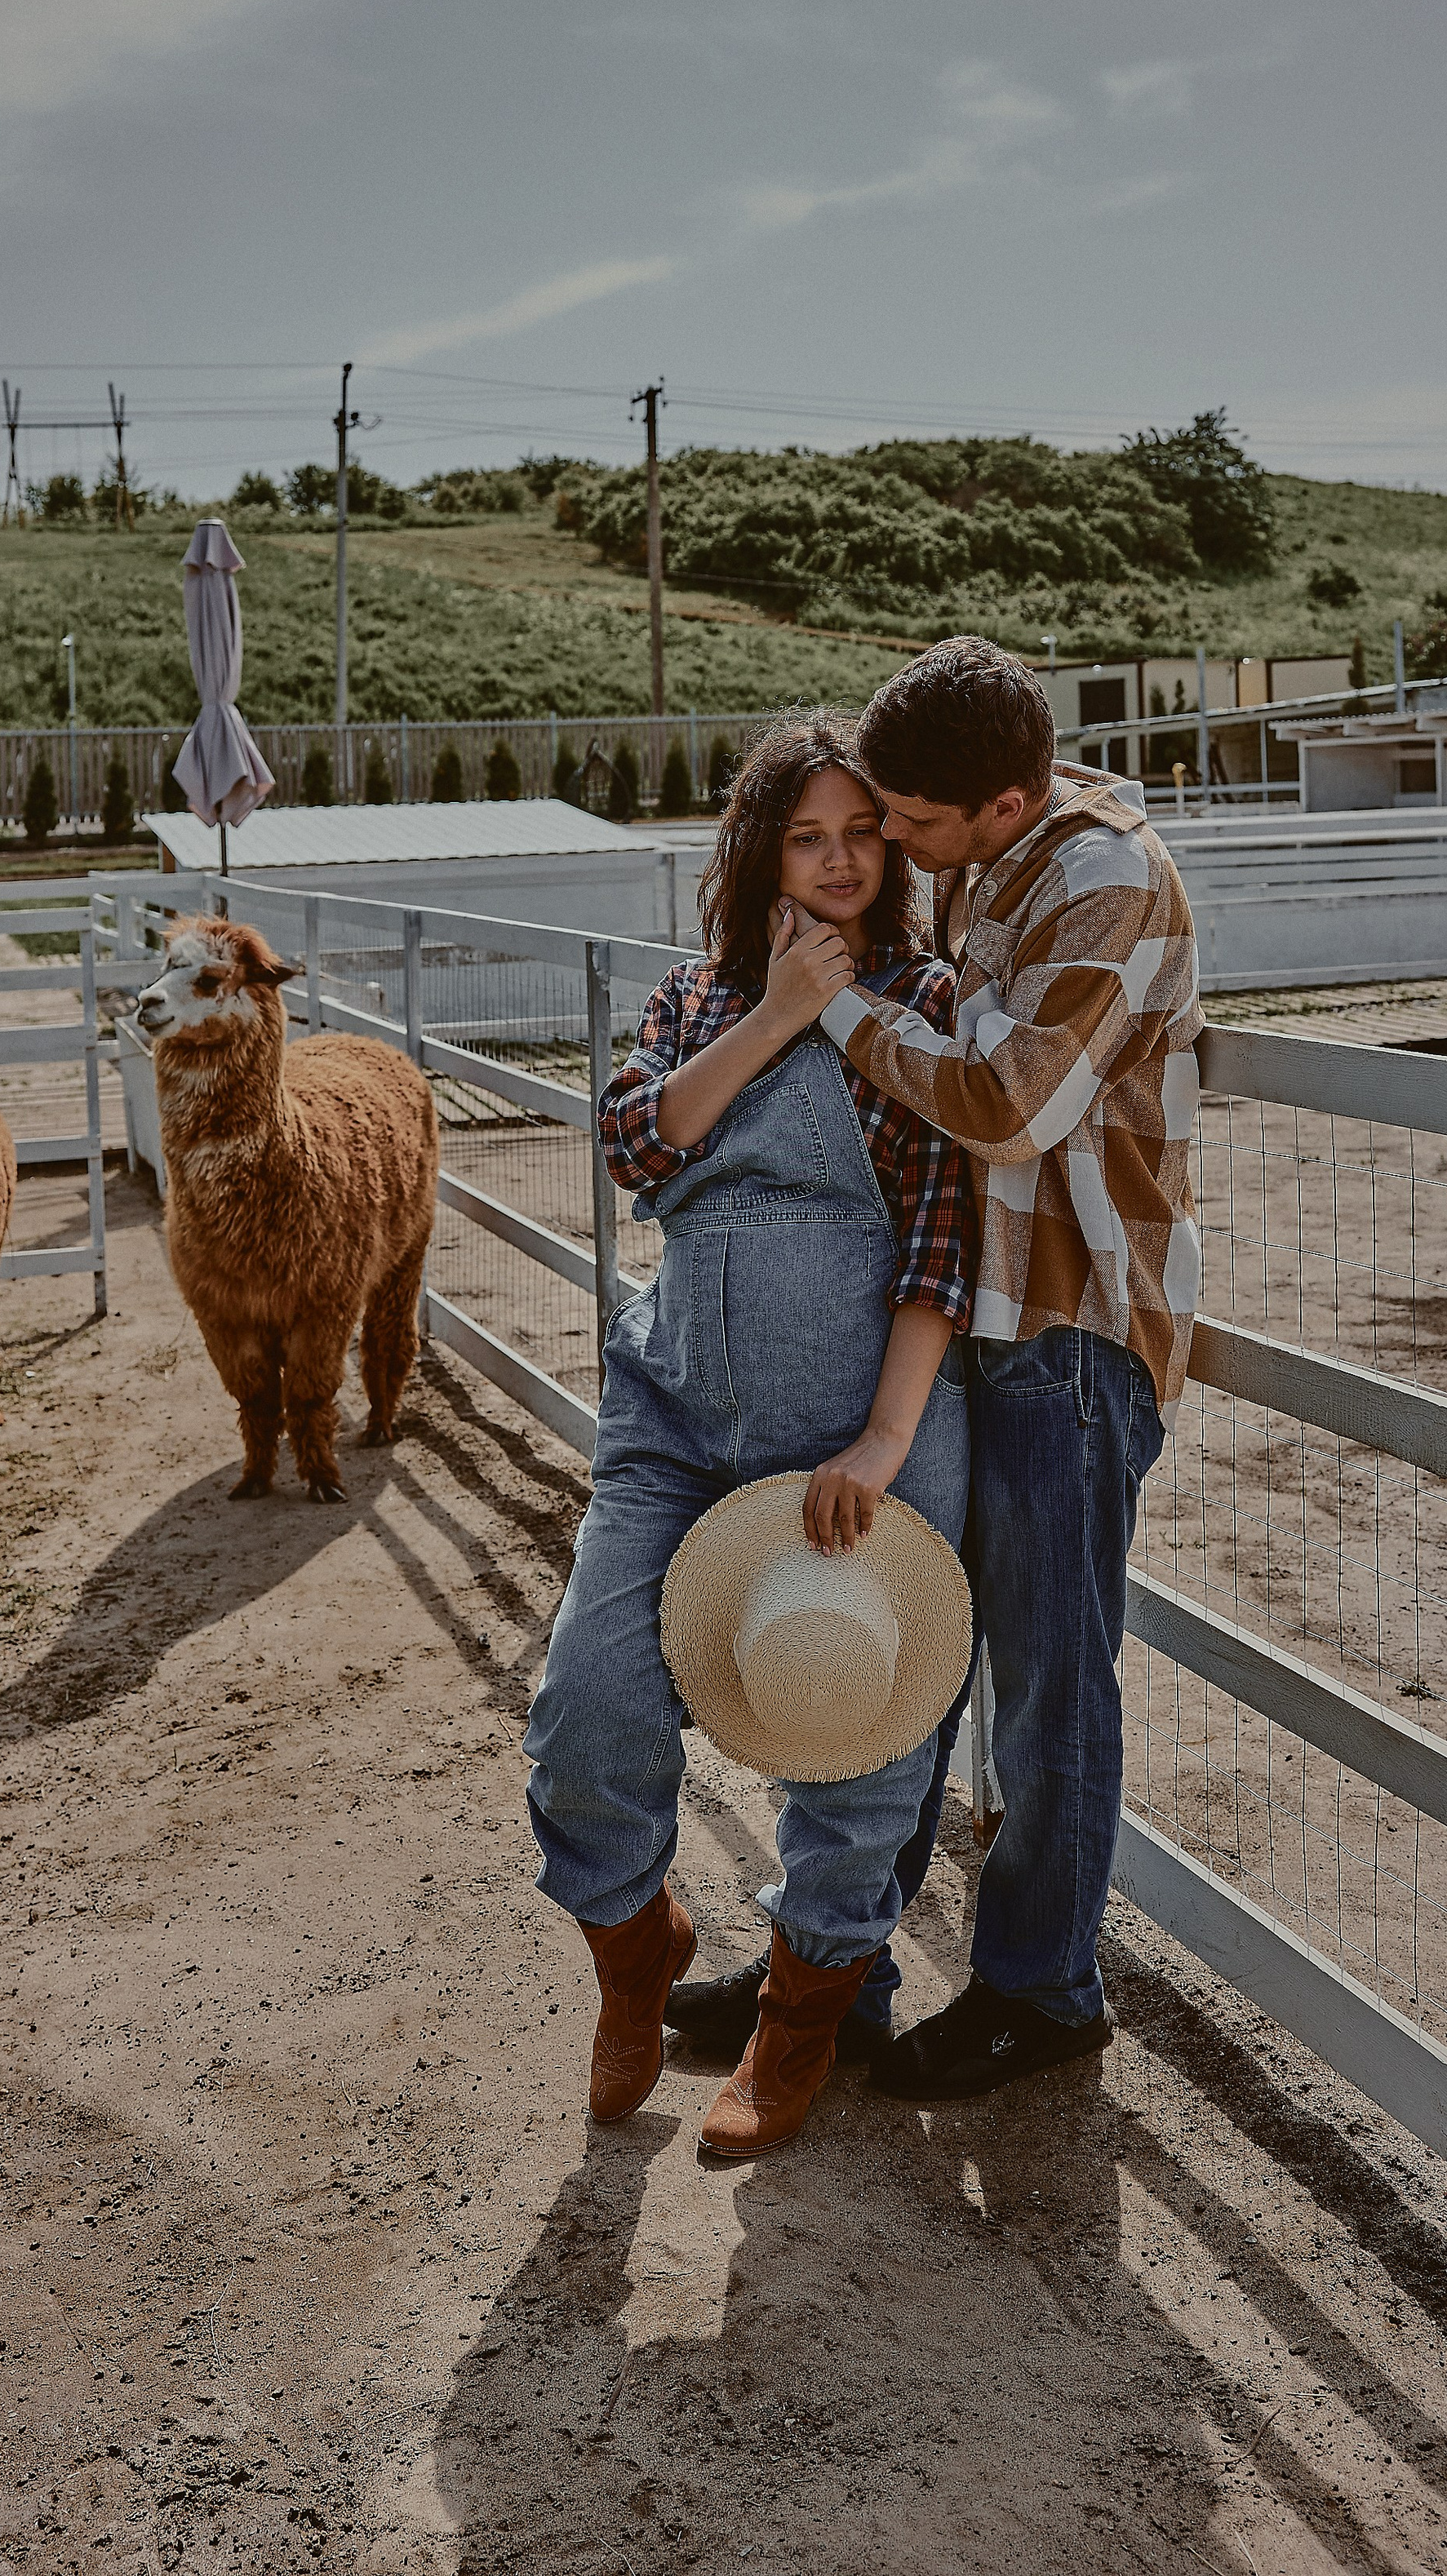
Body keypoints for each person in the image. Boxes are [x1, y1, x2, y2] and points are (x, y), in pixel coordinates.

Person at [523, 713, 976, 2157]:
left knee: (854, 1735)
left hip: (853, 1429)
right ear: (762, 851)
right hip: (675, 1412)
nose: (839, 861)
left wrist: (887, 1438)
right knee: (588, 1701)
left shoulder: (924, 996)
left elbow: (944, 1238)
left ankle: (799, 2024)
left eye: (861, 835)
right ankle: (633, 1947)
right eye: (807, 836)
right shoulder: (699, 993)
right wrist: (779, 1010)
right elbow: (634, 1144)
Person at [775, 636, 1202, 2100]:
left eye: (912, 820)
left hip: (1070, 1328)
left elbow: (1007, 1103)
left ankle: (1042, 1988)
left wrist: (836, 1009)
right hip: (985, 1315)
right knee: (918, 1649)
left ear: (1003, 804)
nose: (892, 842)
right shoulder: (992, 858)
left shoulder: (1104, 880)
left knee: (1049, 1681)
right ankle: (837, 1963)